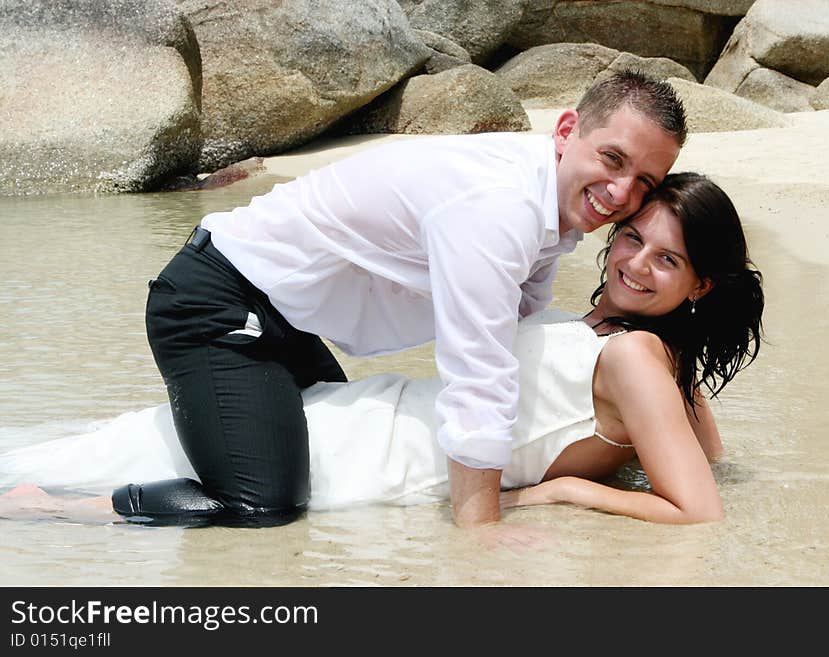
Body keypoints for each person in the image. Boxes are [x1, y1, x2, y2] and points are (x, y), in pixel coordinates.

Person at [91, 69, 686, 528]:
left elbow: (519, 330)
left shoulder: (547, 205)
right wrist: (478, 525)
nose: (620, 192)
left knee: (333, 468)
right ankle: (66, 510)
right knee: (265, 504)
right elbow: (478, 367)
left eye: (645, 182)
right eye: (613, 158)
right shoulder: (498, 207)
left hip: (284, 314)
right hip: (214, 298)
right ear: (565, 132)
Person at [0, 172, 764, 525]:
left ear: (701, 284)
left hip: (390, 460)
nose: (635, 263)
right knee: (145, 444)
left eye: (668, 260)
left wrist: (561, 492)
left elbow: (698, 507)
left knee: (160, 469)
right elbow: (700, 459)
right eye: (634, 237)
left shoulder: (638, 360)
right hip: (373, 413)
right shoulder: (625, 347)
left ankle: (57, 511)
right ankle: (43, 500)